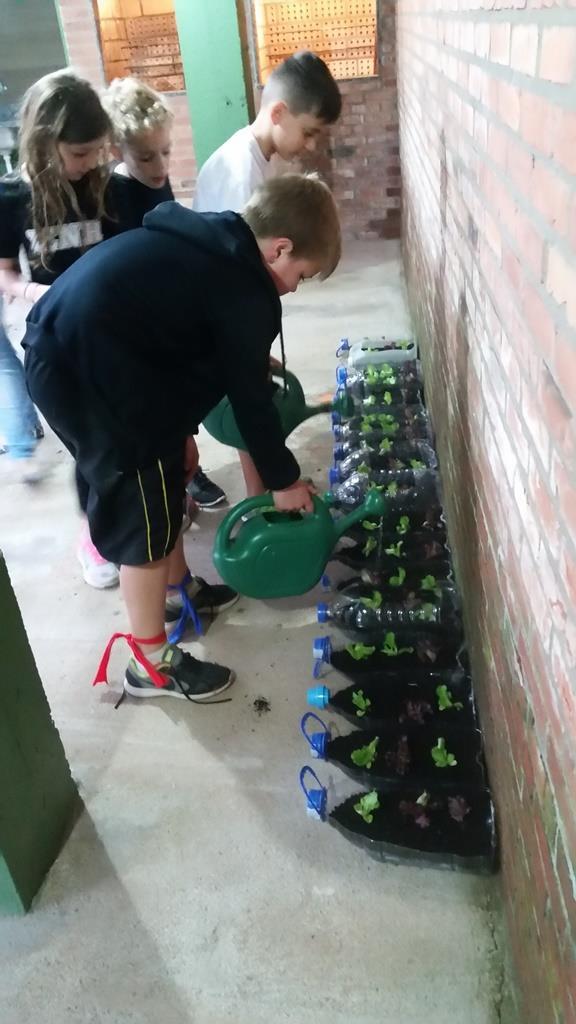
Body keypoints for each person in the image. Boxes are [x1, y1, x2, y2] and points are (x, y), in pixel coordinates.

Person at [23, 173, 341, 702]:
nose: (292, 287)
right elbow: (252, 406)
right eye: (301, 275)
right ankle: (149, 663)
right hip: (88, 372)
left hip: (81, 349)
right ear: (280, 248)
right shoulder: (246, 289)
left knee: (170, 473)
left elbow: (176, 334)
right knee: (143, 511)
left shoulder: (217, 244)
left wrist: (189, 423)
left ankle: (177, 592)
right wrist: (284, 482)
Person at [193, 50, 342, 498]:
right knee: (249, 403)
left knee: (252, 396)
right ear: (278, 112)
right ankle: (264, 496)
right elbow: (235, 282)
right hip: (211, 317)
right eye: (309, 132)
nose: (311, 146)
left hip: (223, 315)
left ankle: (265, 491)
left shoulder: (261, 158)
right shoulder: (240, 174)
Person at [0, 69, 116, 583]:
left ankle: (124, 520)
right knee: (86, 443)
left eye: (95, 152)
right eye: (79, 153)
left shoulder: (101, 187)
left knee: (116, 434)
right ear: (45, 142)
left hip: (107, 334)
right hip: (53, 340)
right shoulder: (10, 198)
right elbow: (4, 275)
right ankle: (94, 536)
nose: (89, 163)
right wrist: (39, 293)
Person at [102, 75, 226, 513]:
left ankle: (187, 467)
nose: (160, 165)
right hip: (133, 315)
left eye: (166, 152)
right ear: (117, 149)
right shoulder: (113, 197)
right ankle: (174, 476)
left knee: (180, 394)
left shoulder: (158, 182)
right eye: (146, 156)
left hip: (166, 301)